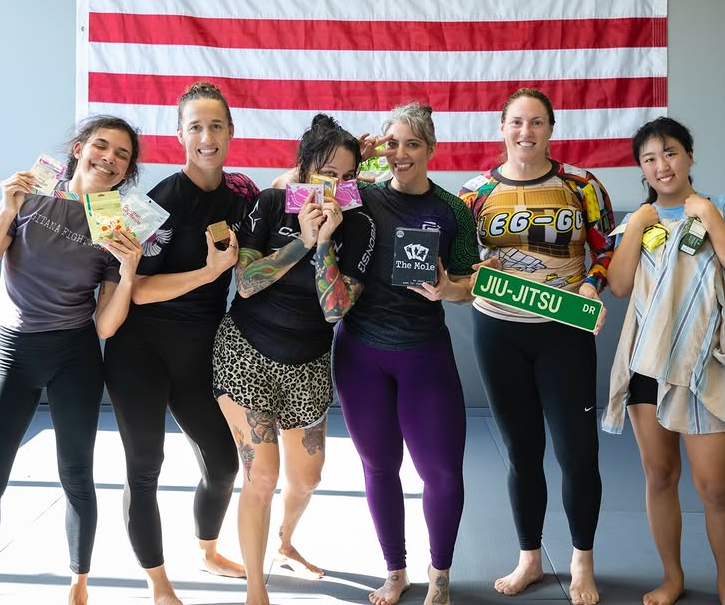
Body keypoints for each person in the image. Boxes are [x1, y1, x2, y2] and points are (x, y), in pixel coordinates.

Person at [0, 116, 143, 605]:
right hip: (12, 354)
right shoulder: (31, 197)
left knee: (77, 476)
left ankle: (79, 588)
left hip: (74, 356)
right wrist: (6, 209)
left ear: (127, 170)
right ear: (79, 149)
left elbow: (105, 327)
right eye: (101, 146)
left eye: (122, 154)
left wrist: (128, 271)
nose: (109, 158)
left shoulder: (116, 226)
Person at [458, 88, 614, 605]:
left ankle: (581, 560)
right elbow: (459, 263)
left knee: (578, 454)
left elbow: (606, 248)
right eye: (517, 122)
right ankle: (529, 557)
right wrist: (469, 271)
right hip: (498, 330)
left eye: (537, 122)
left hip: (564, 329)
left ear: (551, 129)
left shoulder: (581, 185)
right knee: (522, 453)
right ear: (502, 127)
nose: (526, 132)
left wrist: (592, 283)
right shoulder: (474, 193)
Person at [102, 82, 256, 605]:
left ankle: (208, 550)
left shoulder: (242, 193)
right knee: (145, 467)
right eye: (195, 127)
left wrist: (346, 169)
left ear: (231, 132)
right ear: (180, 135)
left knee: (224, 464)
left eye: (216, 126)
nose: (206, 137)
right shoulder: (158, 202)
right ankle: (158, 583)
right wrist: (209, 272)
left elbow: (286, 199)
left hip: (198, 351)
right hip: (140, 350)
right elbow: (137, 289)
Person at [212, 114, 376, 605]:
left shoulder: (359, 225)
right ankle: (256, 589)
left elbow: (334, 310)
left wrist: (324, 243)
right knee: (262, 475)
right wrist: (301, 240)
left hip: (308, 360)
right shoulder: (270, 203)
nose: (336, 187)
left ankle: (284, 542)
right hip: (246, 349)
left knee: (308, 478)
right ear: (304, 168)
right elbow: (246, 284)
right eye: (327, 174)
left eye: (347, 177)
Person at [602, 116, 725, 605]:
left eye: (670, 152)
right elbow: (619, 286)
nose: (661, 165)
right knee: (660, 477)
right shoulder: (638, 219)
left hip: (702, 361)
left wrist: (707, 214)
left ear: (689, 155)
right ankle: (672, 577)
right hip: (647, 363)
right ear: (641, 169)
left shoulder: (722, 206)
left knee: (715, 487)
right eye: (649, 158)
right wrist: (637, 226)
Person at [332, 102, 479, 605]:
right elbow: (299, 188)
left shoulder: (452, 210)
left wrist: (447, 290)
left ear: (430, 149)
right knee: (378, 467)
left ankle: (440, 573)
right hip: (361, 352)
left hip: (424, 355)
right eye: (392, 143)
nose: (400, 153)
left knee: (442, 473)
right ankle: (395, 571)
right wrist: (355, 156)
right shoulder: (360, 195)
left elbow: (468, 285)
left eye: (412, 144)